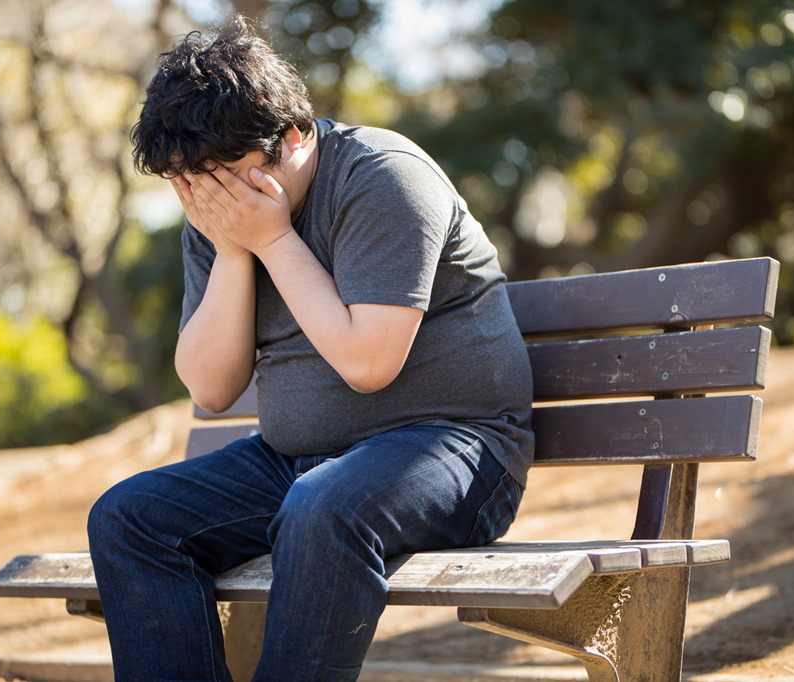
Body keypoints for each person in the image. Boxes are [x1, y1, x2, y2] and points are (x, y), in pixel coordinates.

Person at [86, 14, 534, 682]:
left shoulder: (383, 177)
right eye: (190, 182)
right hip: (300, 466)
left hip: (457, 449)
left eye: (225, 174)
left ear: (293, 136)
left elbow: (367, 363)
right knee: (129, 519)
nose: (211, 197)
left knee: (323, 507)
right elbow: (210, 388)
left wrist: (272, 240)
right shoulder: (219, 214)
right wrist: (234, 250)